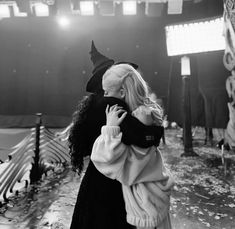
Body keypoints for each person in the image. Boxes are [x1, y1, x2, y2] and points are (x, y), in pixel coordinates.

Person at [68, 42, 164, 229]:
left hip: (99, 174)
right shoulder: (112, 104)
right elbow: (139, 136)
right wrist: (155, 130)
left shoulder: (92, 105)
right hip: (112, 181)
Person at [91, 64, 174, 229]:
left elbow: (104, 158)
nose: (104, 97)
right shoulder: (146, 114)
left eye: (106, 92)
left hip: (144, 205)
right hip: (155, 198)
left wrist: (110, 128)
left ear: (122, 93)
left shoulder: (132, 124)